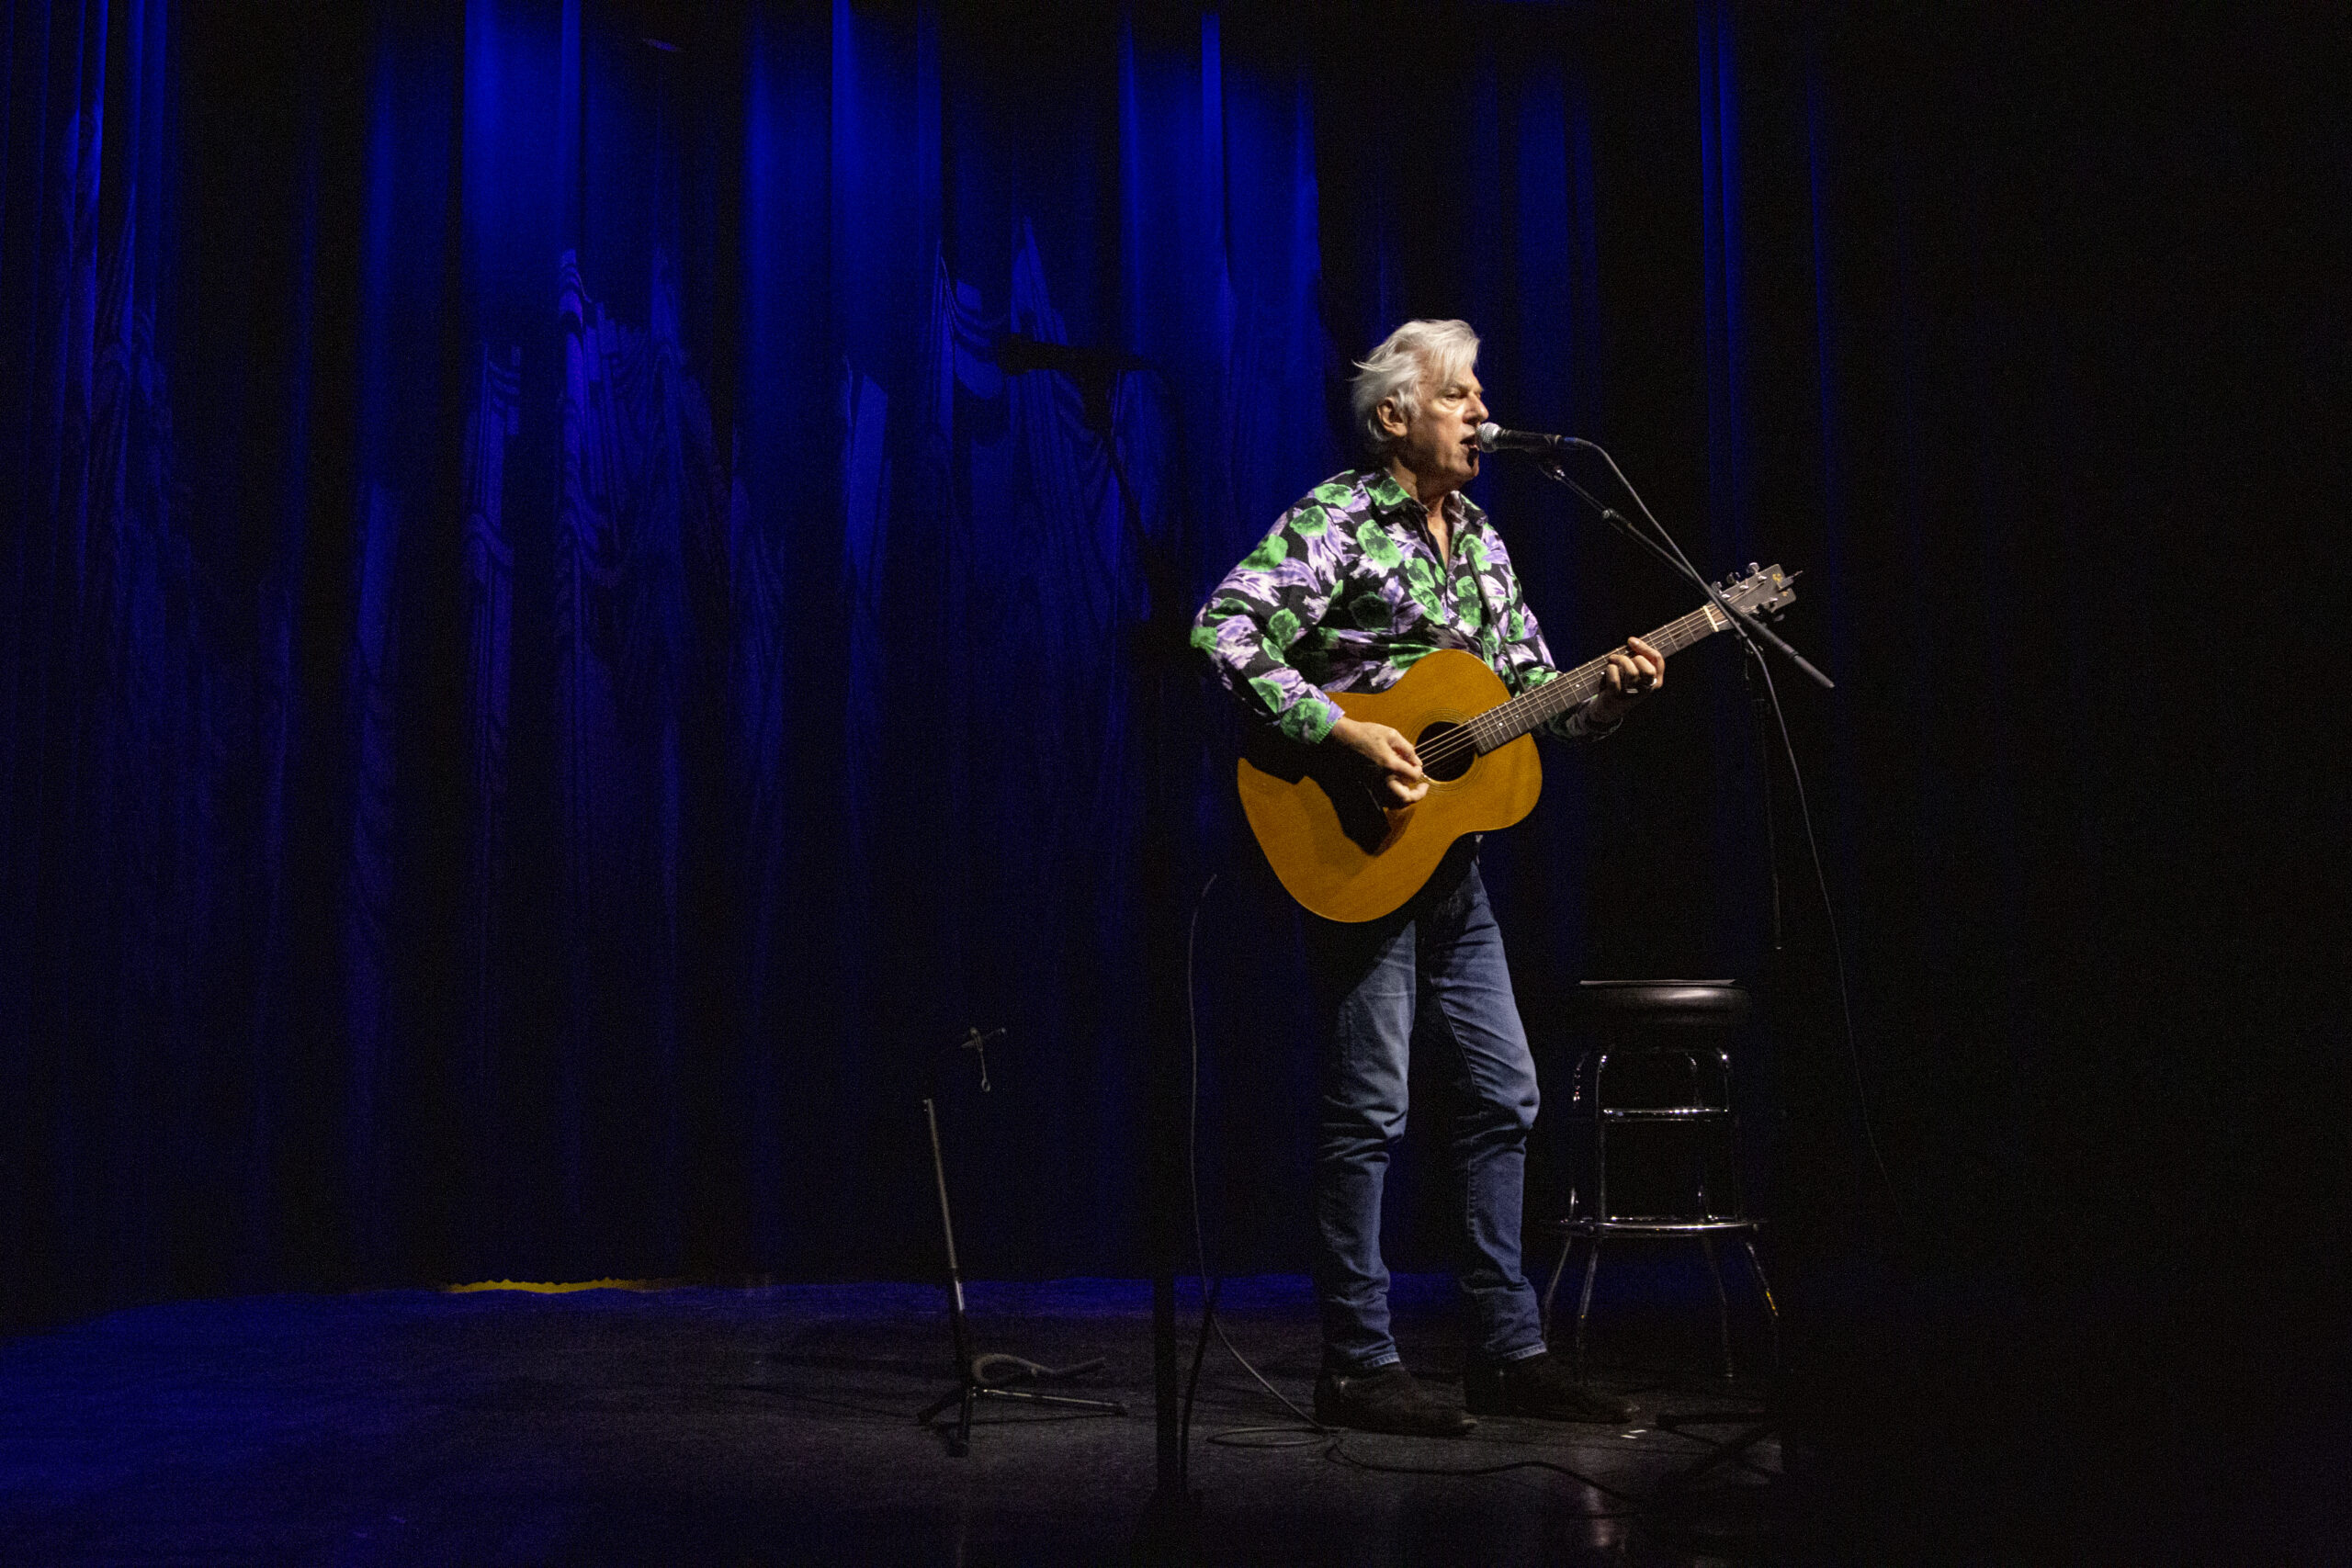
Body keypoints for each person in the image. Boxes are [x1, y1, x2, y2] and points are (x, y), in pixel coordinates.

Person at [1191, 320, 1666, 1437]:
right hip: (1356, 846)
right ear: (1395, 417)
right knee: (1370, 1109)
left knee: (1506, 1093)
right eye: (1462, 396)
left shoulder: (1488, 543)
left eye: (1480, 395)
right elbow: (1224, 629)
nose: (1482, 414)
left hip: (1453, 866)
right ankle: (1357, 1363)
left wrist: (1611, 695)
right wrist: (1342, 733)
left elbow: (1537, 696)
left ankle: (1507, 1352)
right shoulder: (1338, 517)